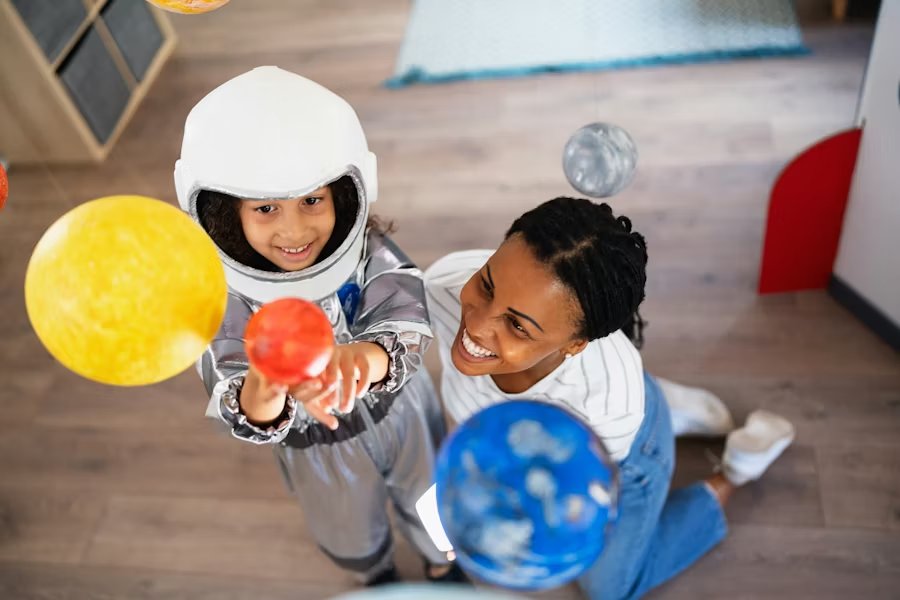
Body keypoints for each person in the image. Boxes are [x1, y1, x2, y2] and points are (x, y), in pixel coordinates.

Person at [175, 66, 463, 586]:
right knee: (348, 529)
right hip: (320, 449)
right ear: (222, 214)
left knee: (434, 499)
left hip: (404, 415)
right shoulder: (223, 299)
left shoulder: (365, 250)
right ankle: (376, 576)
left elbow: (406, 312)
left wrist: (367, 359)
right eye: (265, 208)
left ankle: (443, 562)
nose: (294, 228)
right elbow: (234, 393)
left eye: (313, 200)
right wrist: (266, 384)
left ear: (345, 194)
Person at [423, 197, 794, 599]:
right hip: (607, 401)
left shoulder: (600, 411)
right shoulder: (443, 285)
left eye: (516, 325)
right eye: (488, 284)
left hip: (629, 452)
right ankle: (665, 404)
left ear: (575, 345)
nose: (475, 326)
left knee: (610, 590)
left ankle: (736, 469)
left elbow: (567, 492)